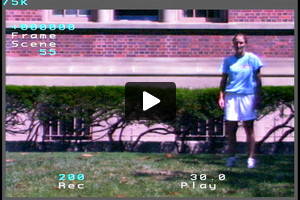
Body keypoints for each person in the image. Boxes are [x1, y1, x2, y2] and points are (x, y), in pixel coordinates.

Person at [218, 33, 263, 168]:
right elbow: (223, 81)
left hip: (248, 96)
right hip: (232, 96)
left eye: (241, 43)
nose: (238, 45)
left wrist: (258, 97)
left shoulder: (252, 59)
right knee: (231, 129)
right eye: (236, 43)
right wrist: (221, 96)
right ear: (233, 44)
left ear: (245, 44)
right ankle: (231, 157)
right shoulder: (228, 61)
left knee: (248, 128)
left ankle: (250, 159)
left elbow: (259, 80)